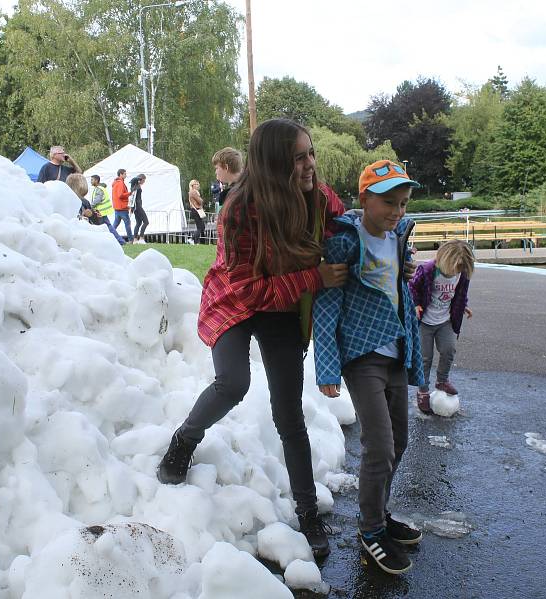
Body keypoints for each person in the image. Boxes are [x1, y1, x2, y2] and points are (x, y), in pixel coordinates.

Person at [156, 119, 349, 559]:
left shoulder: (316, 196)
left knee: (288, 411)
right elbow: (247, 289)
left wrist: (387, 249)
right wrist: (312, 277)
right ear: (274, 162)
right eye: (298, 157)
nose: (309, 164)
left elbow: (347, 228)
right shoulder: (239, 209)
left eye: (310, 153)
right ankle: (184, 440)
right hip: (236, 300)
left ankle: (306, 510)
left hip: (283, 307)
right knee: (234, 382)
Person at [313, 159, 424, 575]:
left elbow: (393, 284)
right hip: (363, 356)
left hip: (396, 351)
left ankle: (380, 510)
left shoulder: (397, 237)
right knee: (379, 444)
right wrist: (327, 366)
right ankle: (370, 529)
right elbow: (327, 306)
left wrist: (406, 273)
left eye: (403, 202)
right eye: (388, 202)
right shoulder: (346, 241)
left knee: (400, 440)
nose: (397, 211)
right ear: (364, 199)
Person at [408, 239, 474, 413]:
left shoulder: (463, 273)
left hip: (446, 320)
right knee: (424, 358)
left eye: (460, 268)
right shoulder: (428, 269)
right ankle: (423, 391)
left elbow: (461, 293)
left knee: (449, 349)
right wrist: (415, 304)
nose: (456, 271)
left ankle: (442, 380)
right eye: (454, 267)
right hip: (425, 322)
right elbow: (412, 287)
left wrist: (463, 305)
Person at [66, 174, 124, 245]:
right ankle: (119, 240)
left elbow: (95, 221)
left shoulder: (86, 201)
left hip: (100, 214)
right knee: (108, 226)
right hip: (73, 236)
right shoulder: (67, 202)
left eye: (92, 180)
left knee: (107, 226)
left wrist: (91, 214)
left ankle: (119, 241)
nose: (91, 182)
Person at [111, 168, 133, 243]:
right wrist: (129, 193)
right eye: (125, 174)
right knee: (128, 224)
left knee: (114, 226)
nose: (126, 175)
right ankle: (130, 240)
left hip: (117, 207)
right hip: (122, 208)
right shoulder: (120, 183)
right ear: (121, 174)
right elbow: (120, 195)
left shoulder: (115, 182)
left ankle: (109, 236)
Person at [130, 174, 149, 244]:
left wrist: (132, 208)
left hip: (135, 207)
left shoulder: (134, 186)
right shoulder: (137, 187)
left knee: (138, 223)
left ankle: (135, 240)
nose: (144, 182)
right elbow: (135, 198)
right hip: (138, 207)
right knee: (146, 222)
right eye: (144, 180)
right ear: (141, 179)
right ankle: (141, 238)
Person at [188, 179, 206, 244]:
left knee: (202, 227)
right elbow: (200, 201)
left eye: (198, 184)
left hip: (197, 210)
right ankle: (192, 240)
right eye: (196, 184)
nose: (198, 185)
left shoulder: (193, 192)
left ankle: (193, 240)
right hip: (196, 210)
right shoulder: (193, 192)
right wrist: (201, 199)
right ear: (193, 185)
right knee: (200, 227)